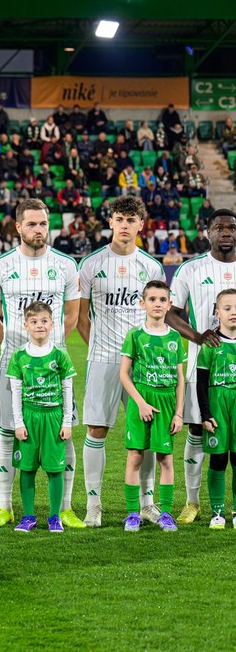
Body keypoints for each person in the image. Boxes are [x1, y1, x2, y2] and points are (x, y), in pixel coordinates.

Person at [0, 198, 82, 529]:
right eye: (32, 224)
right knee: (8, 434)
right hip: (13, 364)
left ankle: (64, 508)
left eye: (43, 223)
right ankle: (5, 506)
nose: (39, 230)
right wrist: (18, 349)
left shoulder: (67, 265)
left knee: (63, 434)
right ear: (18, 227)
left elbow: (71, 315)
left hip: (54, 367)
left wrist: (49, 348)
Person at [77, 196, 165, 527]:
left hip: (142, 363)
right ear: (110, 222)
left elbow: (156, 313)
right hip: (103, 358)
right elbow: (82, 317)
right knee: (96, 429)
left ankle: (147, 503)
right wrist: (97, 346)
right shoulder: (91, 264)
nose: (125, 225)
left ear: (141, 225)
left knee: (144, 431)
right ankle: (93, 505)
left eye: (131, 219)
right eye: (119, 218)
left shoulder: (152, 267)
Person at [165, 209, 236, 524]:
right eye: (219, 228)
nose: (226, 233)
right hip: (202, 365)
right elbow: (170, 313)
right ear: (208, 232)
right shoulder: (191, 269)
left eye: (231, 228)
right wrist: (198, 336)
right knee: (197, 428)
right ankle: (192, 503)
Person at [117, 281, 183, 533]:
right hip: (141, 401)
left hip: (166, 402)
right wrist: (140, 402)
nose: (157, 304)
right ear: (142, 304)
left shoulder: (175, 337)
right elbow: (124, 374)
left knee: (166, 458)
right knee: (135, 455)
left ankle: (165, 513)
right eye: (152, 299)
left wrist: (178, 413)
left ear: (169, 305)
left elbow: (179, 380)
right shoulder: (135, 335)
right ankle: (133, 513)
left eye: (162, 299)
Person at [9, 301, 77, 533]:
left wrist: (67, 421)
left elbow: (68, 390)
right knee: (27, 468)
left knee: (54, 469)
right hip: (29, 415)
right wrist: (18, 423)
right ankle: (28, 516)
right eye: (34, 322)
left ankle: (54, 517)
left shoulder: (60, 355)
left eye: (44, 321)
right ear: (26, 325)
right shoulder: (19, 356)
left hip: (53, 416)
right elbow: (16, 392)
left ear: (52, 324)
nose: (40, 326)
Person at [197, 289, 236, 528]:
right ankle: (218, 512)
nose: (234, 312)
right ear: (217, 312)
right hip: (218, 405)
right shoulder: (211, 343)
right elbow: (201, 382)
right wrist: (205, 413)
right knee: (219, 459)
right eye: (228, 308)